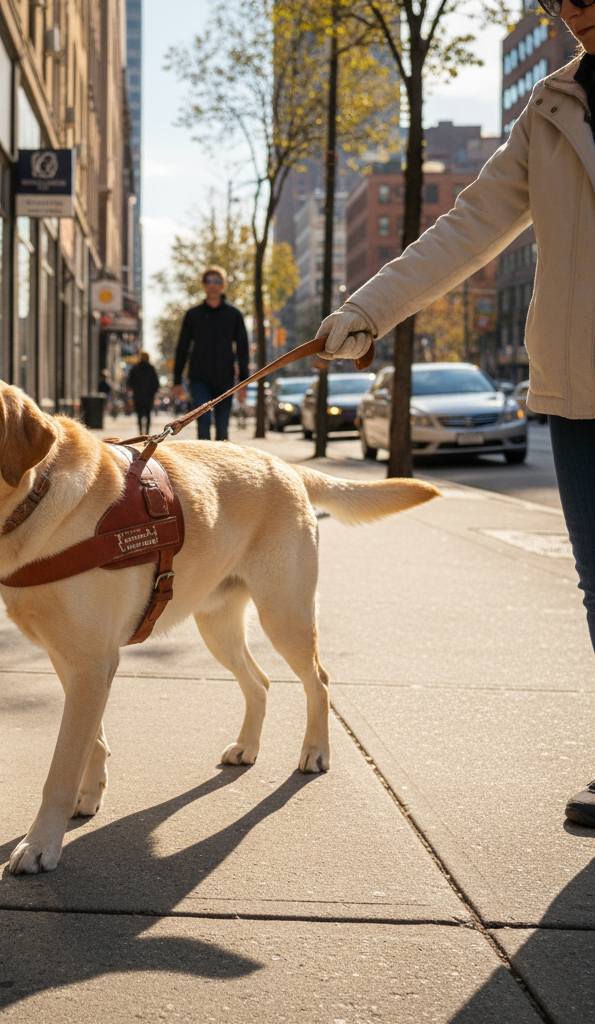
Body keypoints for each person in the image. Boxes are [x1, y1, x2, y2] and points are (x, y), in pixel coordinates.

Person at [317, 0, 595, 829]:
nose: (571, 10)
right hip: (581, 384)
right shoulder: (552, 108)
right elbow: (467, 228)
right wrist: (366, 310)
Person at [172, 266, 249, 441]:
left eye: (217, 281)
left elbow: (243, 349)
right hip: (199, 379)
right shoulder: (193, 315)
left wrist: (244, 382)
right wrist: (177, 381)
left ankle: (220, 466)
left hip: (226, 379)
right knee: (203, 422)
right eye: (208, 281)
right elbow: (182, 348)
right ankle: (203, 464)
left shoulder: (234, 315)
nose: (212, 285)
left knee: (223, 428)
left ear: (223, 285)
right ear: (204, 285)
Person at [126, 351, 160, 436]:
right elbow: (156, 384)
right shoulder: (151, 368)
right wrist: (152, 392)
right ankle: (147, 433)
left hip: (138, 396)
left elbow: (129, 382)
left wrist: (133, 389)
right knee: (148, 415)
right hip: (149, 396)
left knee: (139, 415)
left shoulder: (135, 368)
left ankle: (141, 432)